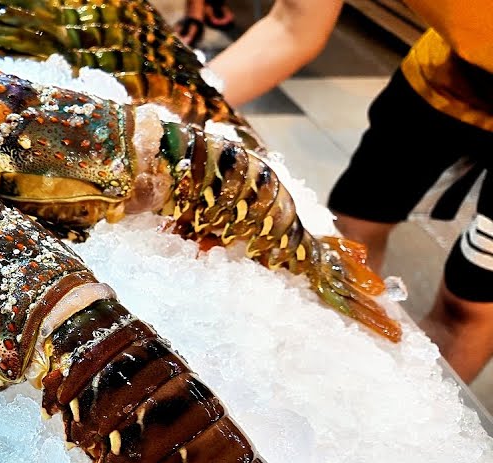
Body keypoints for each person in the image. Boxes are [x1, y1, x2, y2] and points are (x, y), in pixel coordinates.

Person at [208, 0, 493, 383]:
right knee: (354, 226)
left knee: (471, 301)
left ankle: (404, 423)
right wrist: (159, 114)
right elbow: (291, 26)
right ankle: (346, 366)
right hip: (448, 72)